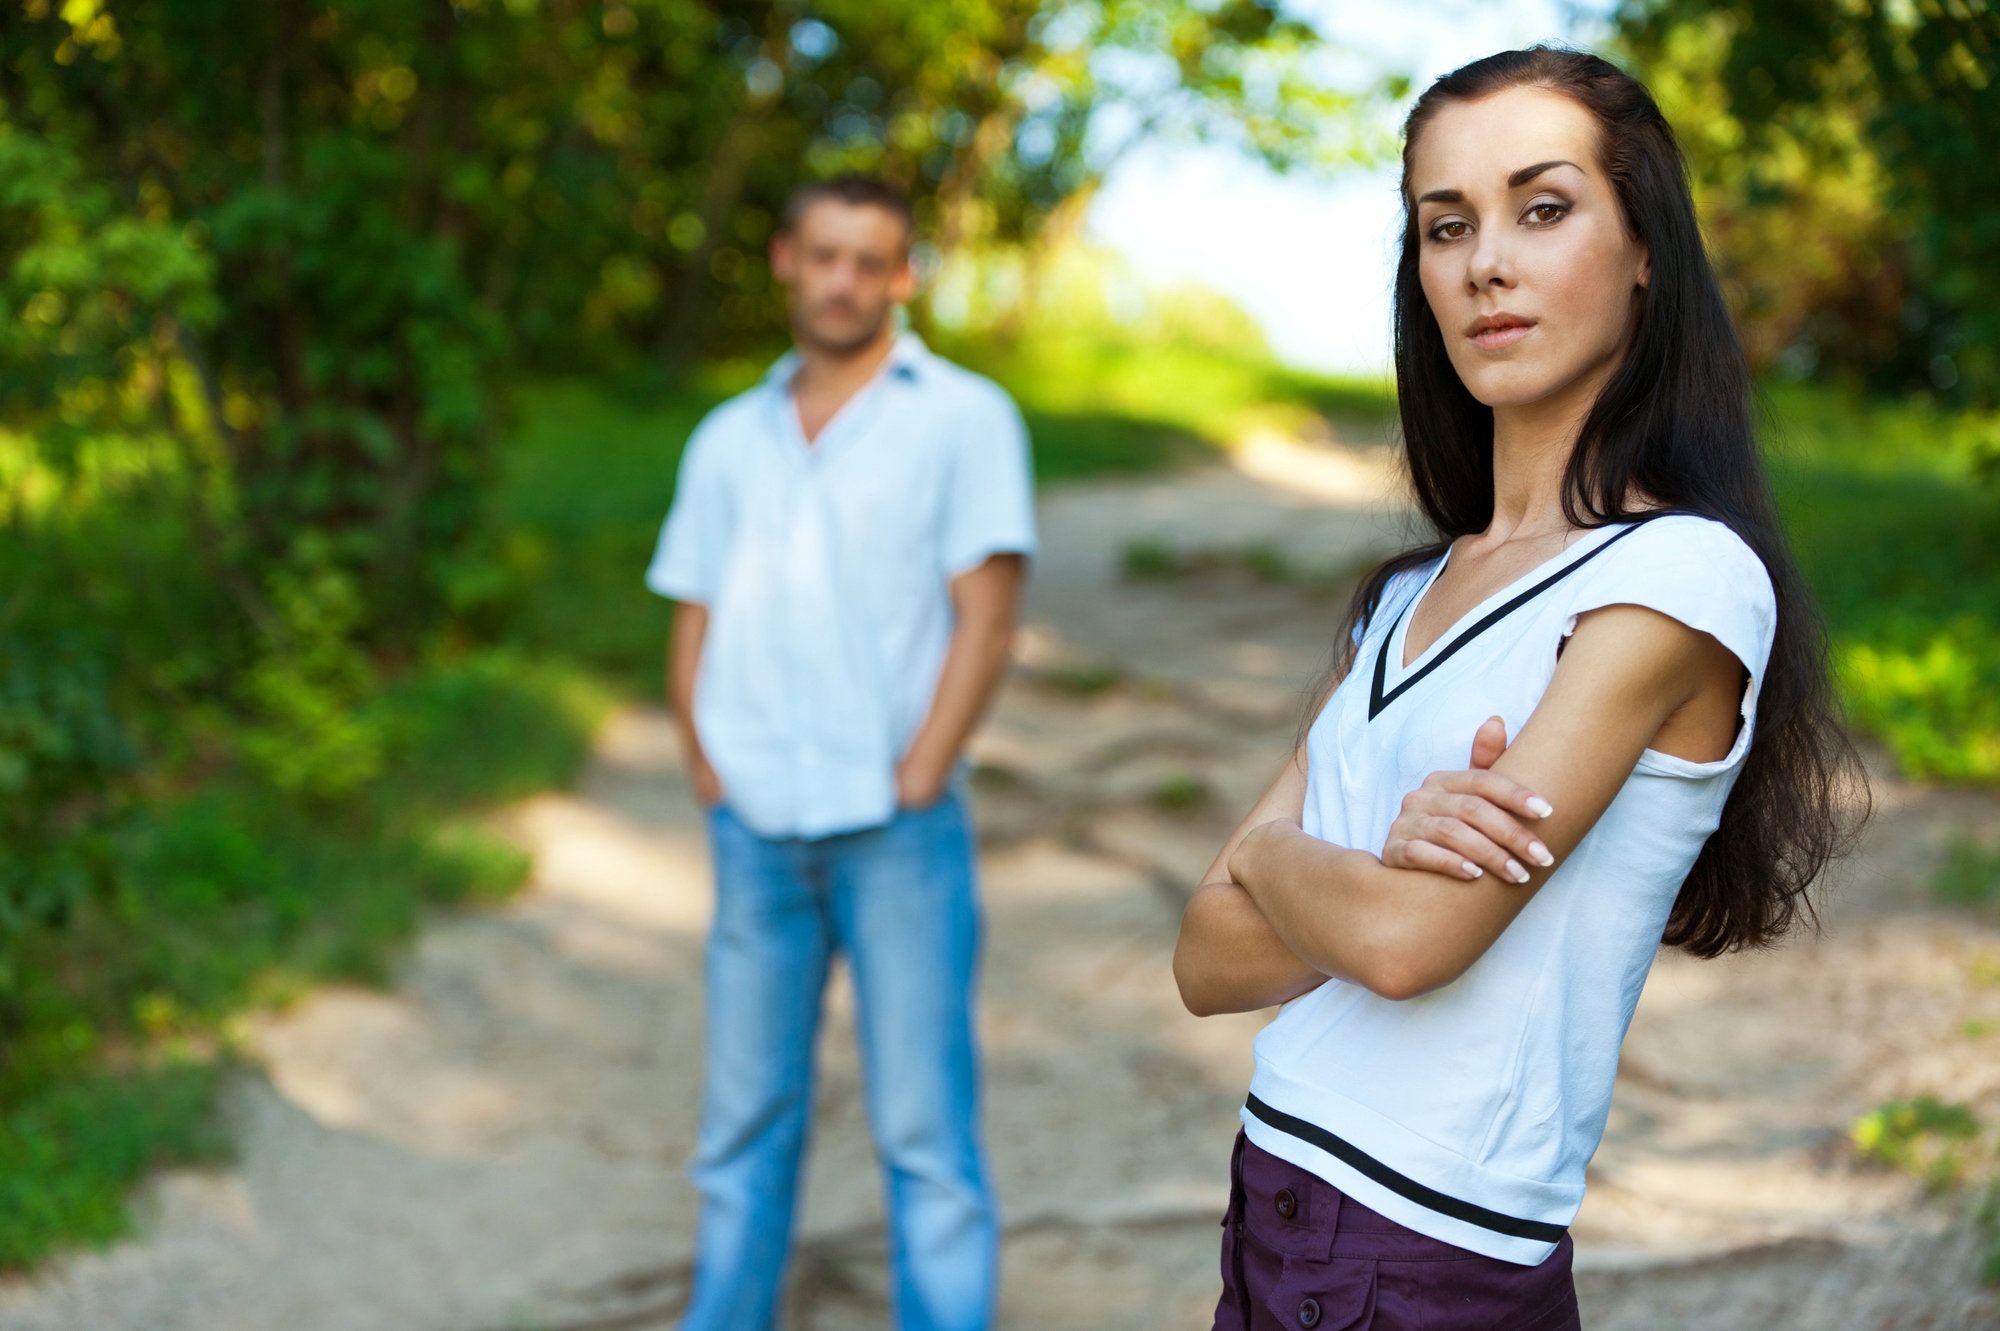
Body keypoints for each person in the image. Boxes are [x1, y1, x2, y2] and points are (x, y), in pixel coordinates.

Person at [1172, 47, 1863, 1330]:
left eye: (1541, 209)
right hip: (1274, 1192)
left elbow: (1401, 940)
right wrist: (1357, 858)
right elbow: (1203, 962)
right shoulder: (1403, 596)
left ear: (1643, 243)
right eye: (1446, 226)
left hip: (1415, 1251)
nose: (1485, 260)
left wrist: (1270, 852)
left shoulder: (1680, 579)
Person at [645, 175, 1035, 1331]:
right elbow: (693, 605)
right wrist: (704, 760)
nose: (843, 280)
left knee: (922, 1132)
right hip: (754, 823)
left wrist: (920, 770)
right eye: (823, 255)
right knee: (740, 1128)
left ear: (903, 275)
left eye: (870, 261)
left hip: (896, 829)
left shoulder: (962, 418)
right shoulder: (727, 436)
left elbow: (989, 615)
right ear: (784, 260)